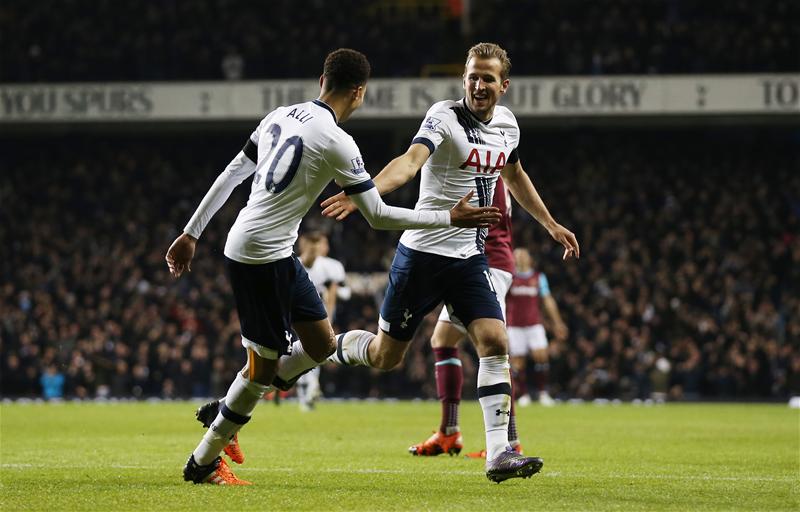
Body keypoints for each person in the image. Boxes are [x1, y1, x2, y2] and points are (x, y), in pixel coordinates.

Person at [167, 48, 501, 486]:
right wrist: (447, 217)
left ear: (322, 80)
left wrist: (192, 232)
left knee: (321, 345)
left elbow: (233, 172)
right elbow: (379, 216)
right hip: (256, 258)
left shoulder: (280, 115)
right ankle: (205, 459)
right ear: (359, 93)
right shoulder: (338, 141)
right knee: (262, 369)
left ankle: (228, 409)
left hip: (277, 250)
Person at [277, 42, 580, 483]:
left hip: (469, 259)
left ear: (504, 85)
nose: (478, 85)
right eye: (472, 76)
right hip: (420, 257)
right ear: (464, 79)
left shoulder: (509, 126)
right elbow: (409, 162)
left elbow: (514, 175)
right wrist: (367, 192)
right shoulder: (444, 116)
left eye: (487, 78)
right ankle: (308, 355)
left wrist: (551, 224)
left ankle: (499, 454)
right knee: (384, 356)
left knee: (494, 341)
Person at [408, 177, 524, 458]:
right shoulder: (494, 168)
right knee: (443, 338)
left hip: (486, 263)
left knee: (494, 349)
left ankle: (509, 441)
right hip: (486, 261)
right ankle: (449, 431)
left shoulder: (480, 172)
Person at [295, 231, 350, 411]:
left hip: (320, 316)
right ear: (302, 244)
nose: (314, 247)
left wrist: (329, 318)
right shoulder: (294, 264)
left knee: (315, 351)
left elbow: (338, 292)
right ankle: (308, 390)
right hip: (294, 315)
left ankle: (310, 388)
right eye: (311, 243)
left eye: (317, 243)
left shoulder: (330, 266)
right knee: (303, 353)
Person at [507, 247, 568, 407]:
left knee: (542, 356)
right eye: (517, 256)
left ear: (529, 259)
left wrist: (558, 323)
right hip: (514, 325)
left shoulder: (538, 277)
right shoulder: (509, 277)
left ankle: (543, 393)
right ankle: (524, 394)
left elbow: (547, 300)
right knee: (518, 362)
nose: (520, 258)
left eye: (523, 255)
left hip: (534, 324)